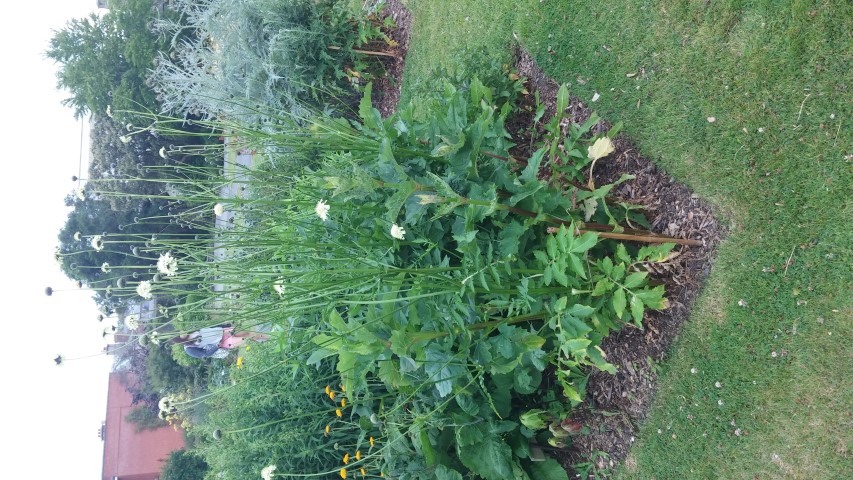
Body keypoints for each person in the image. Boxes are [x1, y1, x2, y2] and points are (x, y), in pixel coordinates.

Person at [179, 326, 269, 359]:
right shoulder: (189, 349)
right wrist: (216, 346)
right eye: (179, 334)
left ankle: (266, 338)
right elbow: (204, 354)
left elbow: (208, 329)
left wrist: (224, 327)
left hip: (224, 331)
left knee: (247, 333)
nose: (182, 331)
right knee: (246, 340)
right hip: (223, 342)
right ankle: (269, 339)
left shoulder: (190, 331)